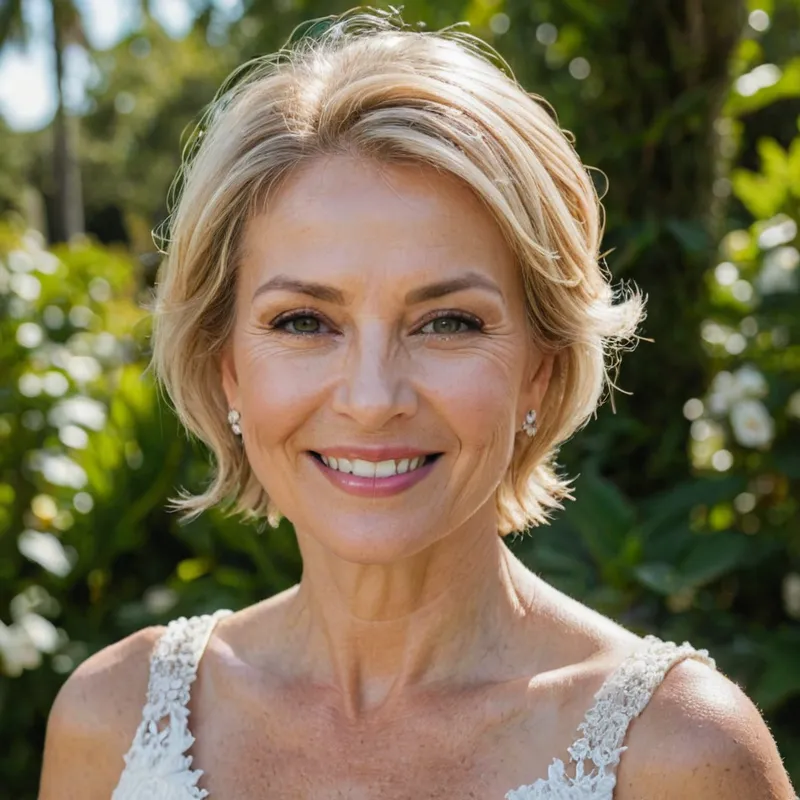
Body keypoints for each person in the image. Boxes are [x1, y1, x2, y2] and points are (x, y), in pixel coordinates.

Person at [38, 9, 797, 800]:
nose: (372, 400)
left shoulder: (682, 757)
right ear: (225, 365)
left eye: (447, 322)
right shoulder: (110, 724)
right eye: (304, 321)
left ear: (540, 368)